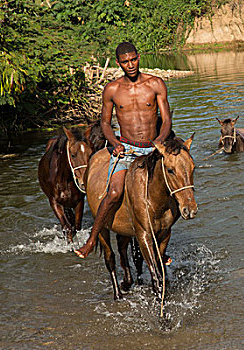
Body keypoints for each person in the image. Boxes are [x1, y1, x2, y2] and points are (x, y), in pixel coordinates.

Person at [75, 42, 172, 258]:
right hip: (126, 149)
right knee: (114, 192)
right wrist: (115, 143)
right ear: (118, 63)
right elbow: (106, 123)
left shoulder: (155, 84)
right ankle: (91, 240)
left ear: (139, 57)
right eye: (125, 62)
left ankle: (162, 242)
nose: (131, 65)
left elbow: (165, 121)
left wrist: (159, 143)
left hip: (152, 147)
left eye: (133, 60)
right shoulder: (112, 89)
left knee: (173, 190)